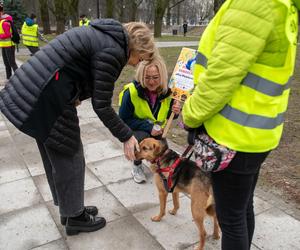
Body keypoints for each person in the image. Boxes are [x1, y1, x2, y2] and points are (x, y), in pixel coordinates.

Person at [0, 19, 156, 236]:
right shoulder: (112, 51)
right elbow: (101, 105)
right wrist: (126, 136)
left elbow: (76, 67)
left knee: (55, 155)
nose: (137, 63)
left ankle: (69, 209)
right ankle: (75, 218)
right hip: (47, 95)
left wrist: (75, 93)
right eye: (140, 58)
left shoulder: (104, 36)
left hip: (36, 90)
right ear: (137, 47)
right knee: (70, 155)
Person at [182, 0, 299, 249]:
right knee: (242, 207)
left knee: (231, 219)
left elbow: (220, 78)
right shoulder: (277, 5)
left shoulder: (254, 4)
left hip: (232, 135)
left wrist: (190, 115)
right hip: (255, 133)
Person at [119, 57, 181, 183]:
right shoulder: (131, 92)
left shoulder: (169, 91)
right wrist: (148, 128)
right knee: (143, 139)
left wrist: (175, 112)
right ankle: (137, 165)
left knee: (162, 150)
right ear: (141, 76)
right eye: (147, 77)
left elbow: (171, 116)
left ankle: (161, 168)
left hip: (158, 131)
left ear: (162, 76)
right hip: (136, 131)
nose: (151, 82)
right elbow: (123, 119)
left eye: (156, 77)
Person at [0, 3, 18, 79]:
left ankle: (19, 77)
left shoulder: (5, 22)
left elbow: (8, 34)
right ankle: (9, 79)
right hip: (3, 45)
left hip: (9, 45)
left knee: (12, 63)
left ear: (1, 12)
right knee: (6, 63)